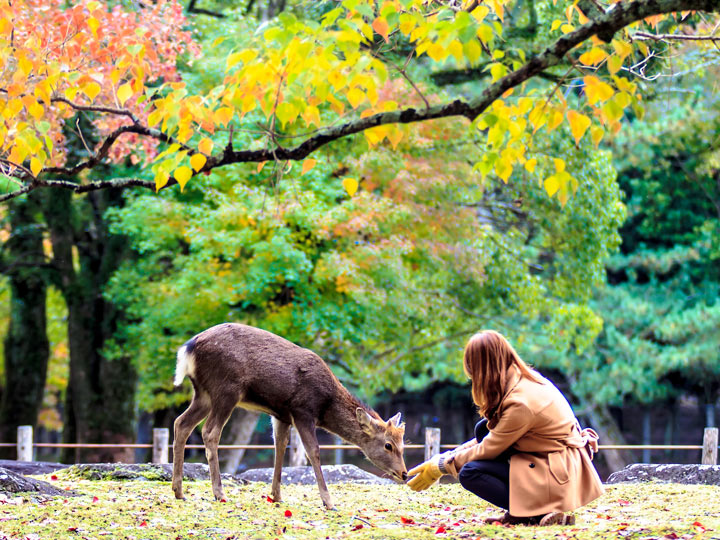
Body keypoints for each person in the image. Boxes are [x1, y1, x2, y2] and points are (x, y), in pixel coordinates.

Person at [407, 330, 604, 526]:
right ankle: (525, 511)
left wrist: (441, 467)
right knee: (482, 429)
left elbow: (488, 448)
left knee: (470, 473)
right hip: (546, 460)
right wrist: (445, 458)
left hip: (557, 475)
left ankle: (538, 512)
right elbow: (488, 438)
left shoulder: (521, 403)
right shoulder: (521, 379)